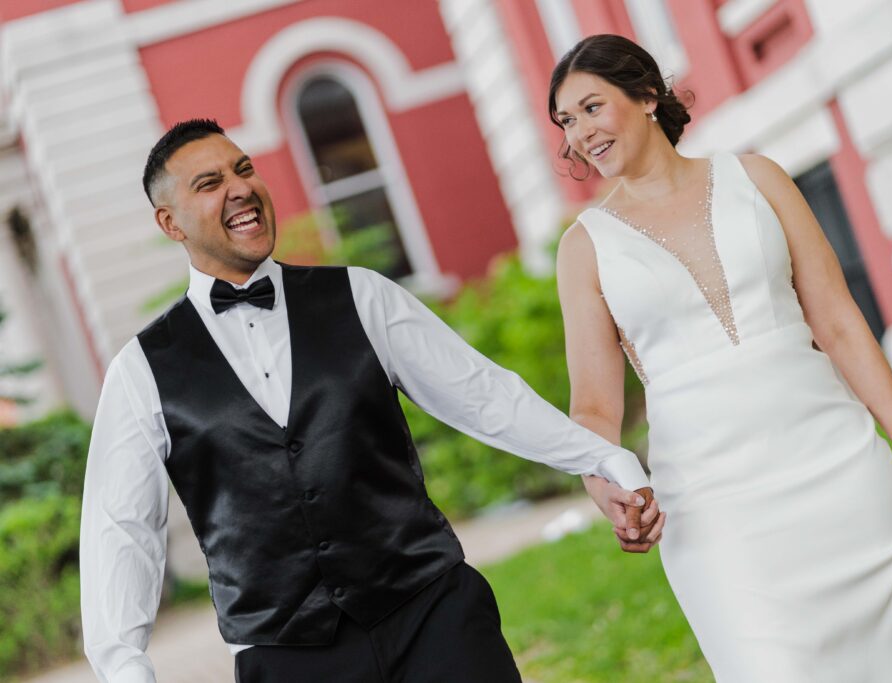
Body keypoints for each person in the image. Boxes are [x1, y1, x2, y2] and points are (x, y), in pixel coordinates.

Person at [78, 118, 663, 683]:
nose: (240, 188)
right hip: (288, 659)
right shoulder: (141, 369)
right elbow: (120, 524)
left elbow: (482, 394)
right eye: (210, 184)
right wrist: (124, 665)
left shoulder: (361, 295)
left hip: (434, 618)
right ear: (170, 223)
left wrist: (599, 457)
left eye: (244, 169)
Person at [550, 34, 892, 682]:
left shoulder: (756, 177)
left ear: (647, 94)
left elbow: (839, 320)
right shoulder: (584, 248)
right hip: (715, 509)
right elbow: (595, 409)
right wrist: (609, 491)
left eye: (591, 107)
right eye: (566, 121)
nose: (579, 134)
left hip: (837, 467)